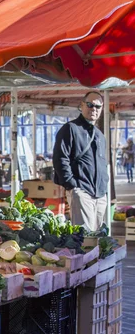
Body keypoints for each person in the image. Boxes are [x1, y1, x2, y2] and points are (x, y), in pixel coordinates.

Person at [53, 91, 108, 231]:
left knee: (97, 238)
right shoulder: (70, 129)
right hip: (81, 190)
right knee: (84, 238)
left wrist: (104, 187)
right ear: (82, 105)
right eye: (90, 105)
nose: (93, 109)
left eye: (98, 106)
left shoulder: (100, 135)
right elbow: (60, 158)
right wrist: (72, 185)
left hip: (100, 194)